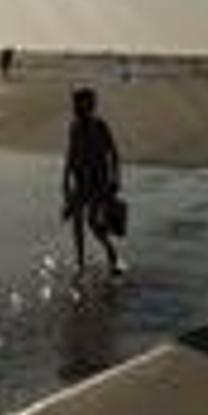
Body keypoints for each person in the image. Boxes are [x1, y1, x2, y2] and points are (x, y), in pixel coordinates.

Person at [62, 87, 123, 276]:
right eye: (75, 104)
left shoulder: (100, 126)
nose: (75, 108)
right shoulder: (74, 127)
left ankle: (111, 252)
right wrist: (64, 179)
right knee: (76, 221)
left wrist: (116, 178)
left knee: (92, 222)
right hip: (80, 180)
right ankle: (80, 262)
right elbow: (70, 154)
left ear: (90, 106)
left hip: (99, 181)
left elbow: (114, 153)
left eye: (80, 104)